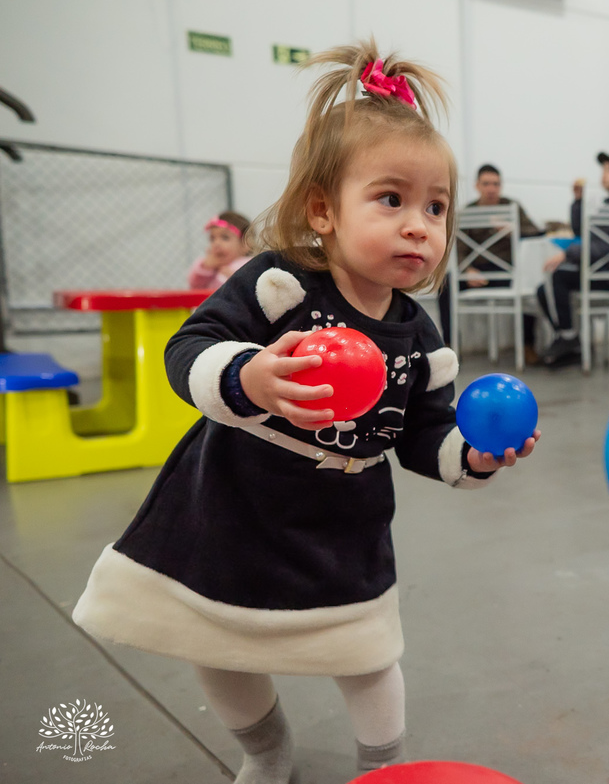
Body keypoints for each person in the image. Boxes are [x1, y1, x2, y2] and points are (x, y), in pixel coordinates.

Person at [71, 41, 539, 783]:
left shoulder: (419, 334)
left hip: (343, 523)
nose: (419, 225)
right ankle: (265, 750)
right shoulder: (281, 284)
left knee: (367, 655)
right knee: (217, 644)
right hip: (235, 504)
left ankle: (382, 768)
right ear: (323, 209)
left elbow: (424, 432)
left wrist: (472, 455)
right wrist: (248, 376)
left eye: (436, 207)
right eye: (391, 199)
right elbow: (189, 346)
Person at [537, 152, 609, 368]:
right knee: (550, 284)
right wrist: (578, 201)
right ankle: (569, 340)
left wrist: (568, 254)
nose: (604, 174)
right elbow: (583, 233)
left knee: (555, 278)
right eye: (604, 169)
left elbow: (602, 246)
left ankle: (568, 338)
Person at [436, 163, 542, 364]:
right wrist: (467, 270)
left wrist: (513, 230)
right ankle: (449, 346)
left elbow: (536, 232)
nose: (491, 188)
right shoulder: (468, 212)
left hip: (508, 273)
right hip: (477, 273)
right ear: (477, 186)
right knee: (445, 284)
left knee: (529, 286)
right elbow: (458, 248)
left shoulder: (512, 207)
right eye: (486, 184)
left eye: (496, 184)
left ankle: (528, 345)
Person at [188, 210, 253, 289]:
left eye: (225, 238)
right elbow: (194, 285)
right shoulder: (209, 267)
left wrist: (235, 278)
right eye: (212, 239)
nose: (216, 244)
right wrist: (206, 267)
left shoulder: (249, 265)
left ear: (245, 244)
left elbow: (252, 288)